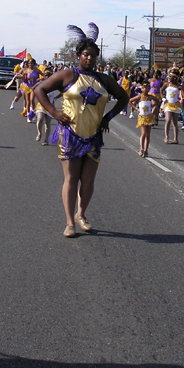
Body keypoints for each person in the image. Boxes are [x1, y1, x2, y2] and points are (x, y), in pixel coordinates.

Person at [34, 24, 129, 238]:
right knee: (71, 179)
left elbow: (123, 97)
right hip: (70, 135)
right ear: (78, 55)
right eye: (86, 54)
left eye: (94, 56)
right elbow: (39, 89)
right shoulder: (67, 75)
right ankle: (69, 222)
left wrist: (108, 117)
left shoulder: (104, 80)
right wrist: (54, 112)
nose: (90, 59)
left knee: (88, 181)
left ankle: (81, 214)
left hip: (93, 137)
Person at [130, 82, 161, 157]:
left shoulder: (150, 97)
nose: (145, 89)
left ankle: (146, 150)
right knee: (143, 133)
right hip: (142, 116)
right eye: (144, 87)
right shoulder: (140, 96)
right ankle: (141, 148)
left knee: (148, 134)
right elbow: (130, 101)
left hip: (149, 116)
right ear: (142, 88)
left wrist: (153, 106)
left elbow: (158, 100)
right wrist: (136, 108)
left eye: (147, 87)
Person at [161, 73, 184, 144]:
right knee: (168, 120)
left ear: (175, 78)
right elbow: (161, 90)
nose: (170, 78)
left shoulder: (179, 86)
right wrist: (163, 98)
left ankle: (176, 139)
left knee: (175, 122)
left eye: (171, 77)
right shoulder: (167, 84)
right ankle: (167, 136)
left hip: (175, 104)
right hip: (168, 104)